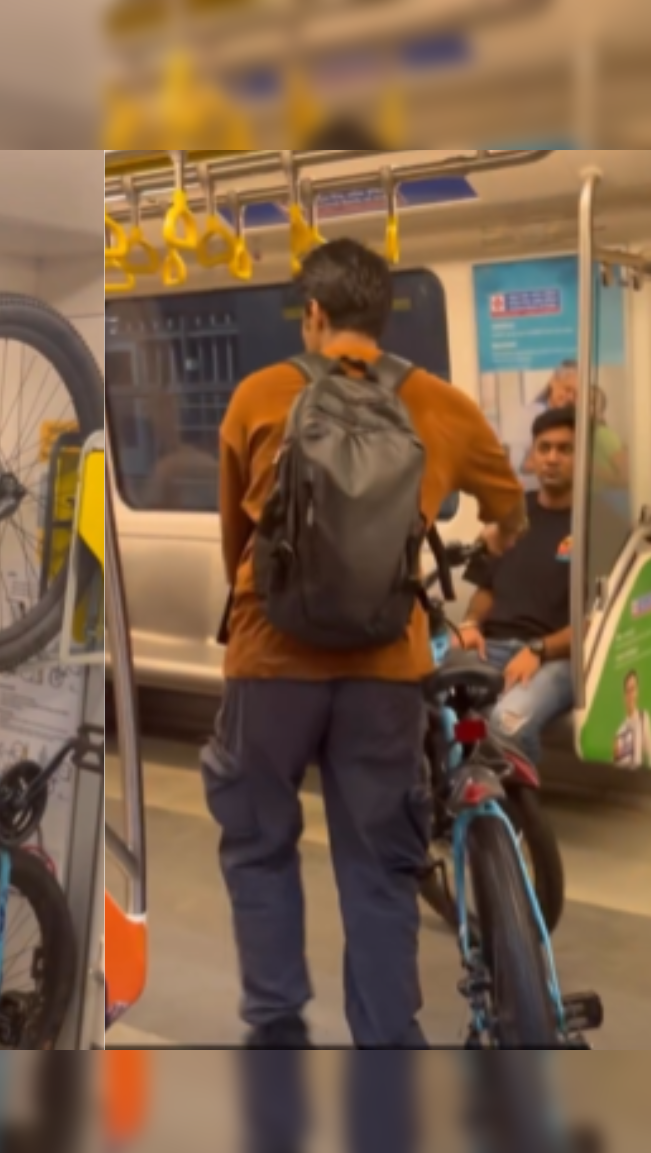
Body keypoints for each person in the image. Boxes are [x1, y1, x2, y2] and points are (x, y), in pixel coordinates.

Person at [205, 238, 526, 1049]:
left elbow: (238, 540)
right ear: (383, 317)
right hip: (387, 666)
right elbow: (508, 507)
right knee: (380, 865)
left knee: (258, 844)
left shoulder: (255, 397)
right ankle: (388, 1046)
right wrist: (493, 539)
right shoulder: (441, 406)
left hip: (269, 661)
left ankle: (278, 1031)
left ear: (313, 315)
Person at [458, 408, 578, 766]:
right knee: (436, 710)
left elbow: (598, 622)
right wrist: (469, 625)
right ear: (533, 455)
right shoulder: (511, 514)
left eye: (564, 449)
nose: (552, 458)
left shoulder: (596, 524)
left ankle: (517, 818)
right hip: (491, 648)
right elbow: (486, 587)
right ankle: (472, 799)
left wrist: (539, 649)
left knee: (507, 724)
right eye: (544, 448)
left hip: (557, 658)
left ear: (581, 456)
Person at [613, 670, 651, 770]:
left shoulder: (643, 717)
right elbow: (618, 765)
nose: (630, 694)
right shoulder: (620, 731)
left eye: (633, 688)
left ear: (637, 691)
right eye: (627, 690)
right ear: (624, 695)